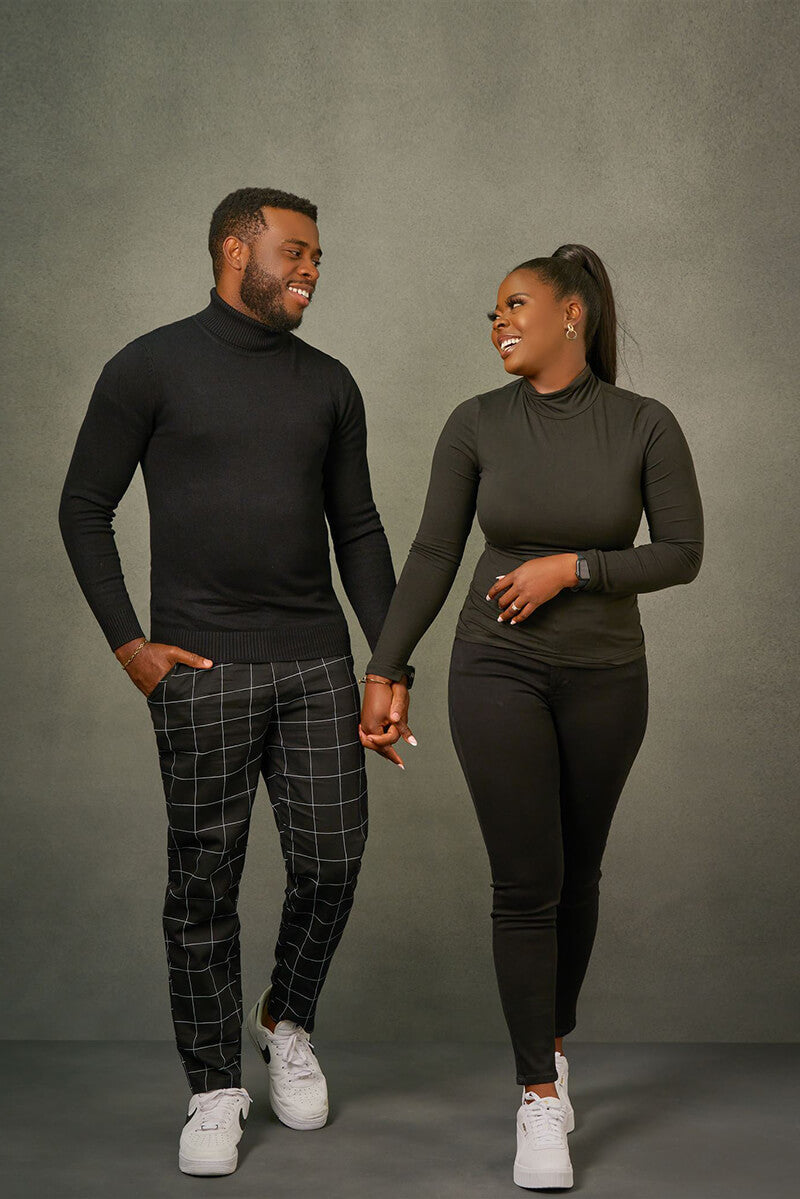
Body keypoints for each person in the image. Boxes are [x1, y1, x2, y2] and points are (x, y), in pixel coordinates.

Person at [58, 187, 412, 1177]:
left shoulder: (329, 383)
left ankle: (284, 1019)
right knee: (203, 882)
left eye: (317, 256)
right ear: (233, 250)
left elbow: (359, 529)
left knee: (332, 861)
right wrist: (130, 645)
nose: (311, 269)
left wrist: (388, 662)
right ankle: (213, 1084)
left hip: (316, 662)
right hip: (200, 665)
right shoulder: (149, 366)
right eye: (295, 251)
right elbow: (83, 506)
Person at [359, 244, 704, 1191]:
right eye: (493, 313)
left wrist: (573, 569)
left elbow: (682, 551)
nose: (499, 323)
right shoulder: (476, 422)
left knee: (576, 874)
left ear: (572, 314)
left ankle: (553, 1044)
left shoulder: (644, 424)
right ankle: (538, 1099)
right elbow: (434, 552)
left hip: (606, 677)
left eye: (515, 305)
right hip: (496, 666)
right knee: (526, 881)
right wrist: (385, 667)